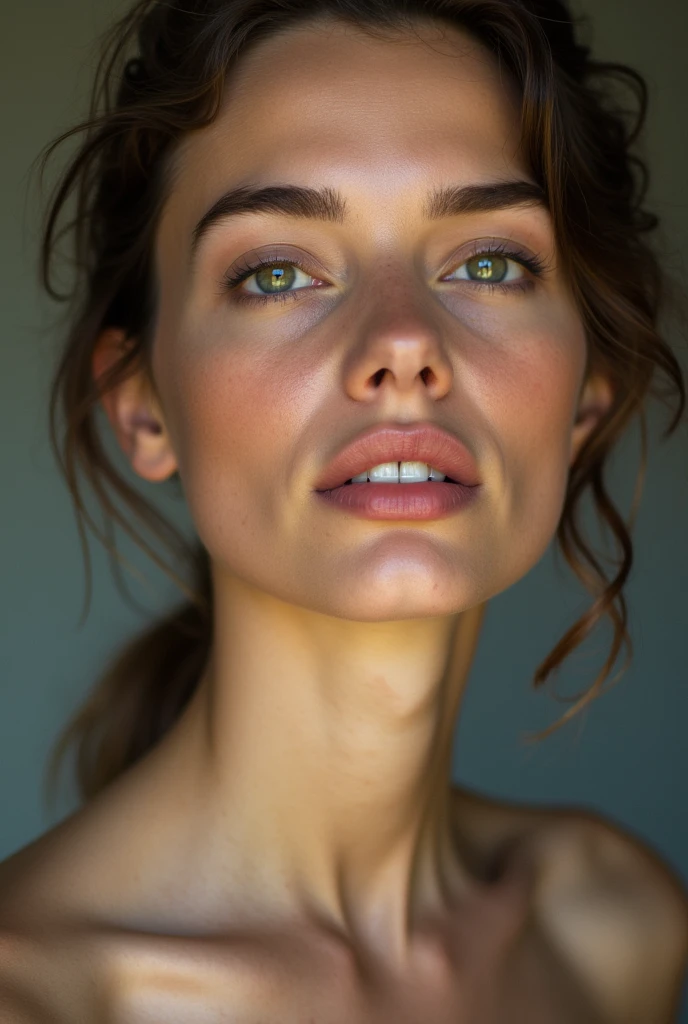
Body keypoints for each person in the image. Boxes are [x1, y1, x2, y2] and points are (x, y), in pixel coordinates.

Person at [1, 0, 686, 1019]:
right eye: (277, 272)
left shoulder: (611, 929)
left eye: (488, 263)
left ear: (586, 395)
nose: (403, 343)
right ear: (144, 406)